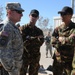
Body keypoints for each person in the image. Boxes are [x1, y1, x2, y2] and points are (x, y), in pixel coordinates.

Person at [0, 2, 24, 75]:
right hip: (8, 71)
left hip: (13, 69)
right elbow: (4, 53)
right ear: (9, 12)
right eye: (19, 12)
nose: (22, 15)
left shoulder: (13, 27)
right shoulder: (6, 27)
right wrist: (12, 71)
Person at [51, 6, 75, 75]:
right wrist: (66, 40)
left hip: (69, 61)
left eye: (63, 14)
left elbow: (72, 41)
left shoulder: (73, 28)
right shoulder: (57, 29)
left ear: (70, 16)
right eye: (60, 14)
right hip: (58, 60)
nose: (61, 16)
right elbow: (52, 41)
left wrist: (61, 39)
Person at [20, 9, 44, 75]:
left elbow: (41, 43)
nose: (33, 17)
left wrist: (29, 38)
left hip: (35, 57)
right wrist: (36, 38)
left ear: (38, 18)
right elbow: (22, 42)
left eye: (35, 16)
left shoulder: (39, 31)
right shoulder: (23, 28)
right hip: (24, 56)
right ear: (29, 16)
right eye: (32, 15)